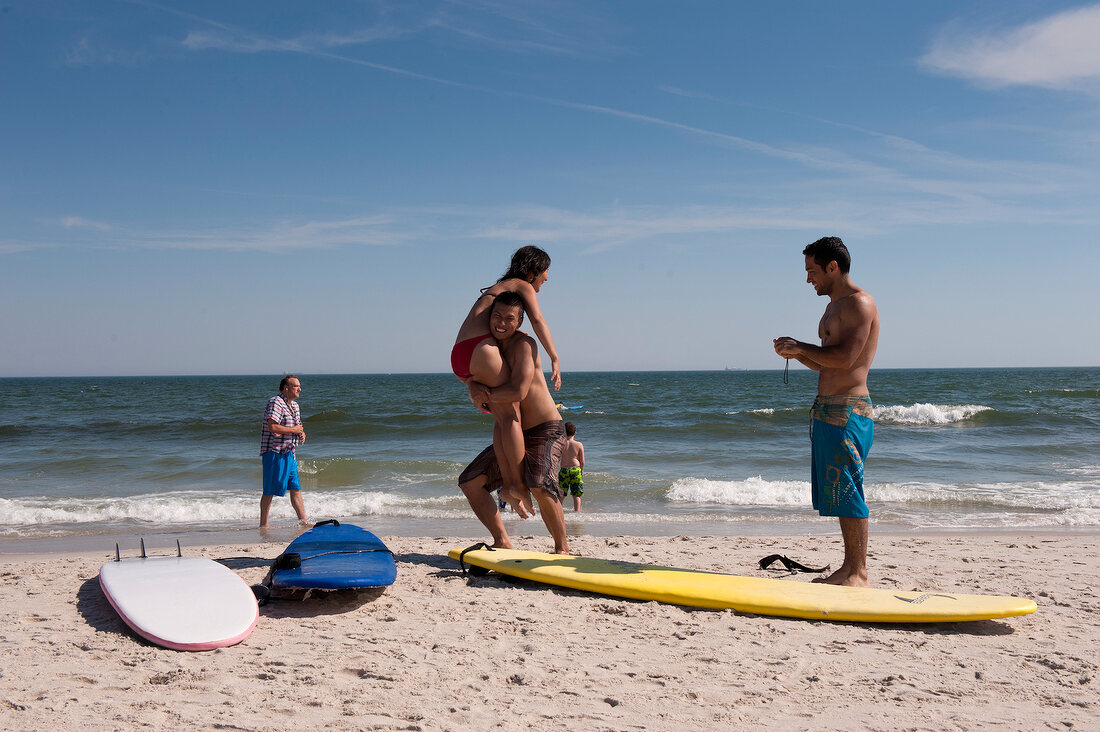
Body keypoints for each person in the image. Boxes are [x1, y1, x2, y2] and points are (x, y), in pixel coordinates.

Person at [773, 236, 879, 587]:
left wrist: (802, 346)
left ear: (833, 267)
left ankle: (858, 573)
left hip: (848, 411)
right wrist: (797, 353)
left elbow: (847, 359)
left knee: (849, 491)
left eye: (812, 271)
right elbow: (826, 366)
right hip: (827, 410)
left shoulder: (859, 304)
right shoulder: (832, 308)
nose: (808, 279)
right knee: (838, 492)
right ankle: (849, 569)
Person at [451, 245, 562, 516]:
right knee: (511, 413)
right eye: (543, 278)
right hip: (481, 351)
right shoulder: (520, 285)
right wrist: (554, 358)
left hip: (461, 355)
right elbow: (537, 319)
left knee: (502, 419)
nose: (542, 284)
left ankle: (511, 485)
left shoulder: (498, 287)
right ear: (533, 271)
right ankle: (515, 485)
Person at [459, 292, 570, 554]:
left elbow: (519, 391)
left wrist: (484, 395)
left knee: (539, 483)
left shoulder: (524, 345)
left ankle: (562, 548)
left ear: (519, 323)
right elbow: (477, 380)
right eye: (496, 316)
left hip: (546, 428)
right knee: (470, 482)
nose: (501, 323)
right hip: (516, 432)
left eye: (509, 319)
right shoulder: (492, 350)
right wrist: (474, 385)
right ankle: (502, 540)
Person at [259, 375, 309, 528]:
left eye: (299, 386)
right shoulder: (276, 402)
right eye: (296, 386)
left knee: (295, 488)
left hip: (290, 452)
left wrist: (301, 433)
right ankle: (264, 524)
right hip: (274, 452)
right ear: (286, 388)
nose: (300, 389)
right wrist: (293, 430)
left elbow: (297, 426)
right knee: (270, 489)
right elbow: (272, 427)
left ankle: (303, 521)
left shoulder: (295, 406)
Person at [558, 421, 585, 512]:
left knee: (561, 494)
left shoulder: (561, 444)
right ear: (575, 433)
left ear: (564, 433)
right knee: (576, 494)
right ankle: (577, 513)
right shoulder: (579, 444)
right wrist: (581, 470)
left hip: (564, 470)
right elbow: (582, 461)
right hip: (575, 470)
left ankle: (558, 511)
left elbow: (557, 458)